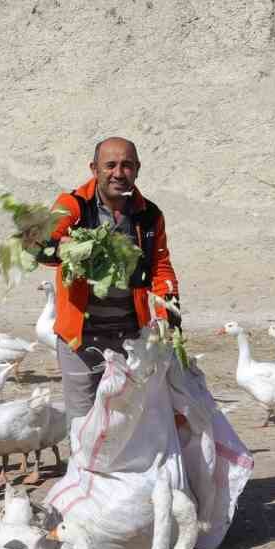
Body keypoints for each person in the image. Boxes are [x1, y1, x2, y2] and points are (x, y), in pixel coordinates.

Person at [37, 136, 180, 422]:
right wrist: (62, 249)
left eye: (127, 165)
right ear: (94, 169)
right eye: (110, 165)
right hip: (80, 340)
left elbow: (161, 268)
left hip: (130, 338)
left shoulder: (149, 215)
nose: (118, 173)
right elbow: (38, 247)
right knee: (82, 424)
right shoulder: (73, 206)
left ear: (138, 168)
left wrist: (171, 318)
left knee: (126, 423)